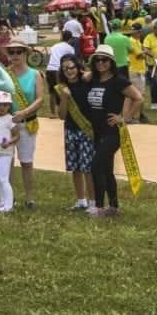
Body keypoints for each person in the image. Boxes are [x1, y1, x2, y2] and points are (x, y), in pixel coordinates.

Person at [85, 45, 143, 217]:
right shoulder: (93, 79)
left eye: (104, 60)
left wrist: (124, 118)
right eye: (97, 60)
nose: (100, 63)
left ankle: (99, 207)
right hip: (97, 132)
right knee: (107, 169)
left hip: (112, 132)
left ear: (111, 62)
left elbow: (138, 98)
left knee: (96, 166)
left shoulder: (118, 81)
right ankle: (114, 207)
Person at [5, 36, 46, 210]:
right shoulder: (5, 74)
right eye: (11, 52)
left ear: (25, 54)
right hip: (7, 124)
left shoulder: (35, 74)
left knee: (26, 162)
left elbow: (40, 99)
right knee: (7, 161)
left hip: (27, 124)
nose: (15, 55)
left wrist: (24, 112)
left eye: (18, 52)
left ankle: (30, 198)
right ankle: (9, 197)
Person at [55, 54, 95, 211]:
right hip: (70, 130)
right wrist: (64, 98)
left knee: (88, 168)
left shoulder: (87, 82)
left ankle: (93, 203)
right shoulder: (62, 88)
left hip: (87, 130)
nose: (69, 71)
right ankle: (81, 200)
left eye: (71, 67)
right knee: (75, 167)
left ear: (78, 67)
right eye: (65, 69)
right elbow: (61, 116)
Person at [45, 30, 75, 117]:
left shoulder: (55, 46)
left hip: (49, 69)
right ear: (70, 39)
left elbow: (50, 56)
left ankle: (52, 113)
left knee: (52, 92)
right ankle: (62, 112)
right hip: (59, 70)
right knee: (62, 91)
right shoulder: (70, 48)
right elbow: (72, 60)